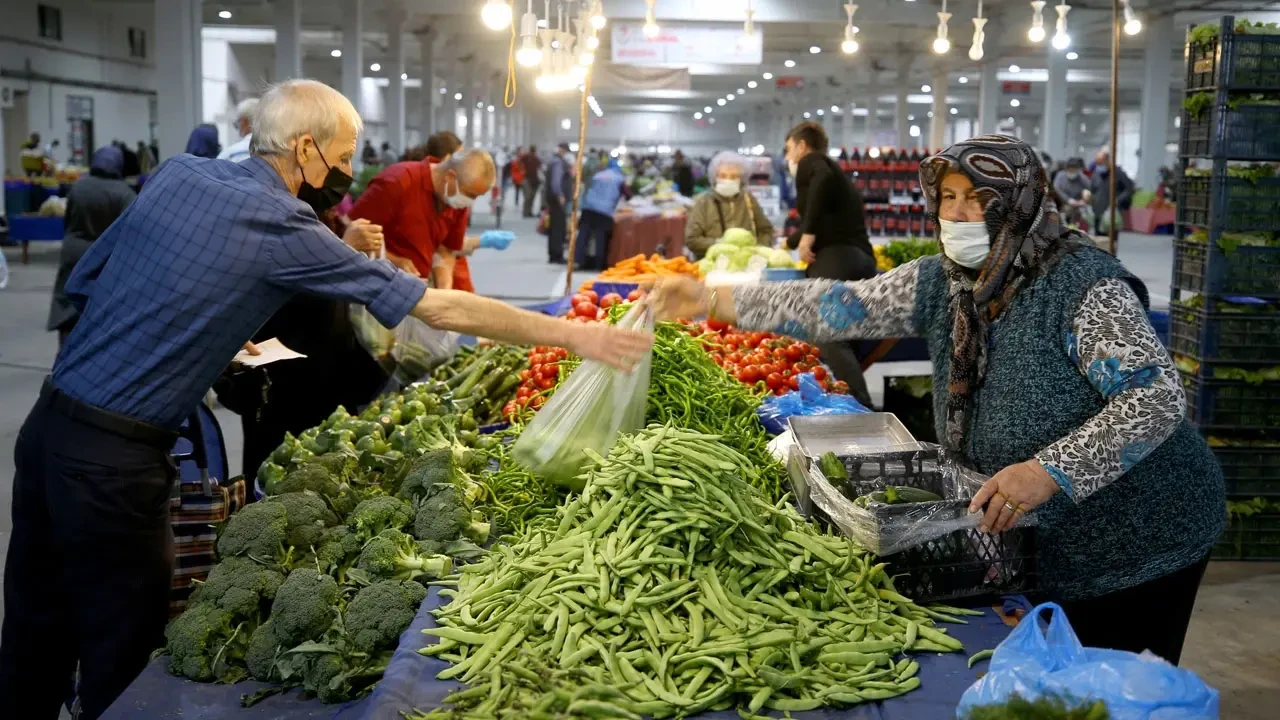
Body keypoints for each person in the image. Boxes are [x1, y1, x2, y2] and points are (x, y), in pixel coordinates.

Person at [0, 78, 650, 720]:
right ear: (305, 148)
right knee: (119, 655)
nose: (344, 175)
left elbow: (88, 281)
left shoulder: (176, 173)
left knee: (33, 630)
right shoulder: (285, 222)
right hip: (116, 465)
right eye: (341, 159)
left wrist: (200, 333)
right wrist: (575, 335)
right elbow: (438, 308)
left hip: (47, 427)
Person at [652, 134, 1224, 666]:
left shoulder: (1081, 287)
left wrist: (1049, 471)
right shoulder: (942, 282)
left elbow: (1153, 398)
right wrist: (711, 300)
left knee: (1113, 686)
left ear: (1019, 202)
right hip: (1043, 538)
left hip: (1140, 536)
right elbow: (838, 306)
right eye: (948, 197)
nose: (957, 214)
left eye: (977, 199)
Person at [234, 207, 389, 478]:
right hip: (283, 379)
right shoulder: (270, 218)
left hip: (330, 372)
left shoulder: (321, 215)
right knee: (278, 471)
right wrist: (344, 249)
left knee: (335, 465)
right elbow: (286, 288)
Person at [782, 121, 875, 408]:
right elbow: (823, 217)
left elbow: (819, 181)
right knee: (845, 338)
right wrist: (791, 241)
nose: (788, 157)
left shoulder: (813, 162)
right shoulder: (835, 172)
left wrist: (808, 235)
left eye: (788, 149)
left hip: (838, 259)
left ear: (801, 146)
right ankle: (845, 404)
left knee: (826, 330)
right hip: (861, 260)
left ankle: (861, 408)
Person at [348, 144, 494, 292]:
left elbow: (446, 250)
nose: (470, 202)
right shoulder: (397, 182)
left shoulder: (457, 202)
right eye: (470, 195)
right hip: (374, 287)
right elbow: (351, 235)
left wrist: (444, 290)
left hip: (416, 288)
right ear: (450, 177)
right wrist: (393, 261)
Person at [46, 146, 136, 347]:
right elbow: (128, 232)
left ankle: (64, 354)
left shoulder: (78, 187)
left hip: (72, 253)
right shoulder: (124, 194)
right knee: (95, 311)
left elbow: (68, 221)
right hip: (103, 257)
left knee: (68, 308)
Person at [685, 151, 774, 259]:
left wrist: (759, 249)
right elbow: (692, 240)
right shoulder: (703, 203)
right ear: (715, 177)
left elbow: (766, 230)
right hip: (712, 262)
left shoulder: (748, 200)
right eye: (723, 176)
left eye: (733, 176)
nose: (728, 180)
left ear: (741, 179)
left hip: (745, 262)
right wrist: (719, 244)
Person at [575, 158, 630, 271]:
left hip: (588, 207)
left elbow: (587, 188)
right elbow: (628, 195)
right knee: (601, 238)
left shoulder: (598, 175)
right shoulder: (619, 178)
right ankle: (599, 265)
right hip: (604, 211)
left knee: (583, 236)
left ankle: (577, 261)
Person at [1089, 148, 1134, 236]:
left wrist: (1118, 200)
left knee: (1111, 238)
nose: (1099, 166)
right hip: (1098, 210)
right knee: (1098, 238)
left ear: (1107, 161)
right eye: (1097, 164)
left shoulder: (1118, 173)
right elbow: (1092, 189)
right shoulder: (1096, 173)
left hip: (1112, 211)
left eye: (1101, 163)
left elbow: (1130, 188)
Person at [544, 143, 571, 265]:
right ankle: (557, 254)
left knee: (555, 227)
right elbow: (556, 181)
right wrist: (560, 195)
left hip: (553, 199)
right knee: (558, 228)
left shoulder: (554, 161)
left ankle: (553, 254)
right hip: (557, 200)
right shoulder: (558, 163)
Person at [1053, 157, 1091, 228]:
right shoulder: (1060, 176)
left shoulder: (1082, 178)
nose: (1072, 172)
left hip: (1079, 206)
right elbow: (1057, 189)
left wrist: (1084, 199)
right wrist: (1068, 200)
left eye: (1074, 170)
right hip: (1064, 205)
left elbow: (1089, 190)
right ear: (1066, 169)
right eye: (1070, 170)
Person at [218, 97, 259, 163]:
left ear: (244, 122)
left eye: (237, 125)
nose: (238, 131)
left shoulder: (229, 155)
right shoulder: (274, 153)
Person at [521, 144, 542, 218]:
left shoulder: (534, 158)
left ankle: (528, 212)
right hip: (529, 179)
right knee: (529, 196)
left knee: (530, 196)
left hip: (533, 180)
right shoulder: (526, 158)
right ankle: (526, 212)